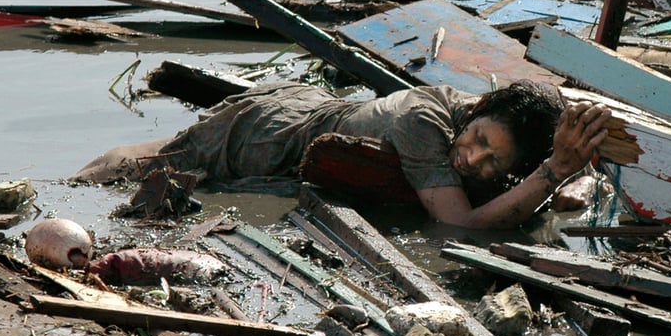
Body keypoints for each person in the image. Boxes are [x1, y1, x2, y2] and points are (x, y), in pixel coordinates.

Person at [72, 79, 612, 229]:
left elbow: (559, 178)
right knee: (157, 164)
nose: (472, 161)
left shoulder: (487, 134)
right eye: (477, 141)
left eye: (493, 163)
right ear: (475, 113)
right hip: (271, 135)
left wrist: (575, 178)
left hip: (318, 114)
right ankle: (69, 189)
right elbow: (460, 226)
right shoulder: (426, 121)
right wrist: (556, 172)